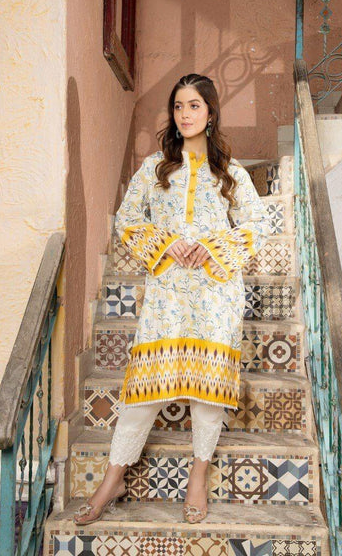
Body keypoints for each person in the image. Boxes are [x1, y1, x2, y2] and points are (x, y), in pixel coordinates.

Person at [73, 73, 271, 526]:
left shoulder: (230, 172)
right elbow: (127, 220)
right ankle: (112, 479)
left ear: (211, 112)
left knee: (207, 392)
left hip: (215, 294)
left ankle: (197, 476)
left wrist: (214, 246)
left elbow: (258, 225)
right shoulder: (154, 168)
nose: (185, 114)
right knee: (143, 390)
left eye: (194, 105)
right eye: (178, 106)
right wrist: (165, 243)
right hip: (167, 295)